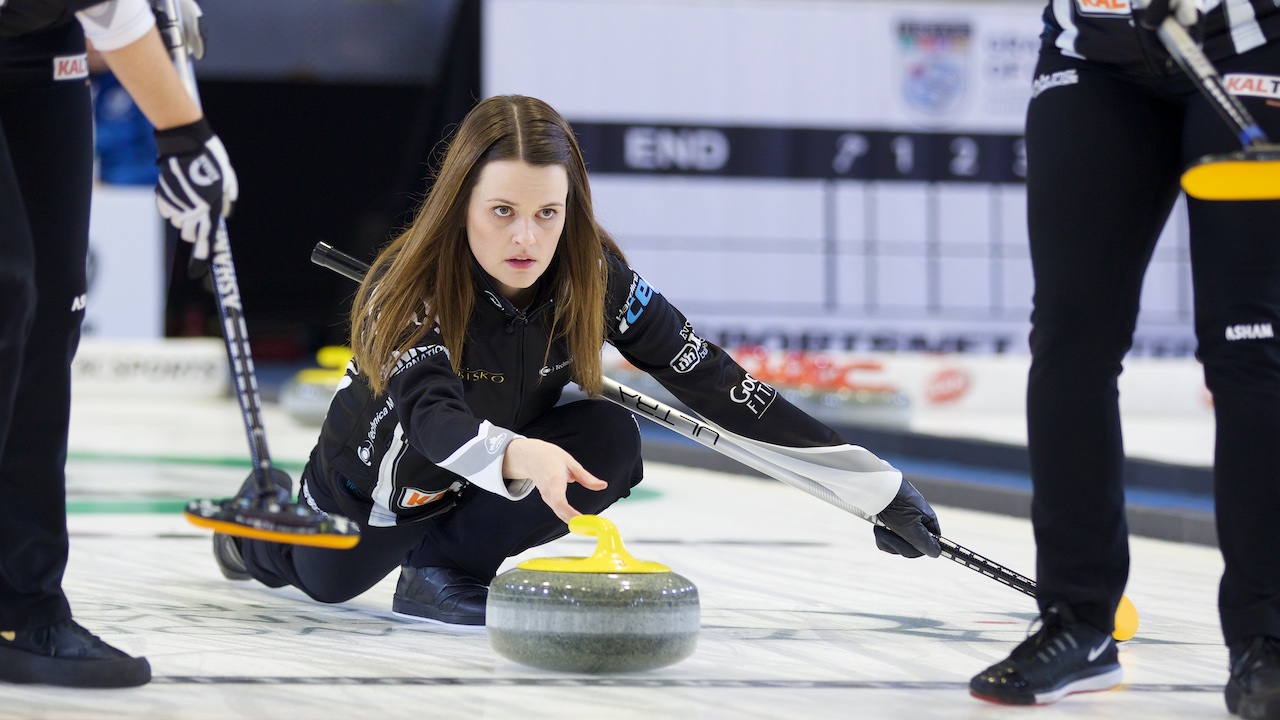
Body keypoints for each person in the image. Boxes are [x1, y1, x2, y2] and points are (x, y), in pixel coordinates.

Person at [213, 94, 942, 631]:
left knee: (611, 442)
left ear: (572, 207)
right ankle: (253, 532)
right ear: (461, 201)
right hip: (379, 486)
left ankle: (446, 570)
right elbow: (435, 422)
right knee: (325, 582)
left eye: (548, 213)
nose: (527, 238)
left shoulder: (595, 280)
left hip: (501, 465)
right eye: (502, 211)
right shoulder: (406, 291)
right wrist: (524, 453)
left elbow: (719, 383)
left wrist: (875, 489)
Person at [967, 0, 1280, 715]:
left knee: (1249, 344)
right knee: (1072, 338)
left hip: (1251, 47)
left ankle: (1267, 638)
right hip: (1096, 55)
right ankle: (1076, 623)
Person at [0, 0, 236, 688]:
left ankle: (24, 606)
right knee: (6, 288)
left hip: (37, 47)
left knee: (51, 307)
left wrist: (183, 135)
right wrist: (183, 130)